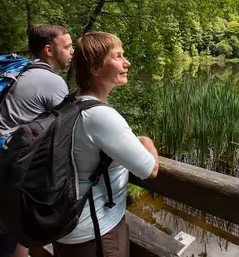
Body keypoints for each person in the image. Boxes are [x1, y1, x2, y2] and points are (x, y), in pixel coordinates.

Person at [0, 24, 74, 257]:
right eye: (68, 46)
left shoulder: (21, 71)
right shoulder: (51, 82)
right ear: (49, 50)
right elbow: (70, 129)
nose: (72, 52)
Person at [52, 31, 159, 257]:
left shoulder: (72, 103)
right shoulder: (100, 116)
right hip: (96, 233)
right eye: (118, 56)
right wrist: (146, 141)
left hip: (68, 225)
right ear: (95, 68)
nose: (126, 62)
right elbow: (150, 169)